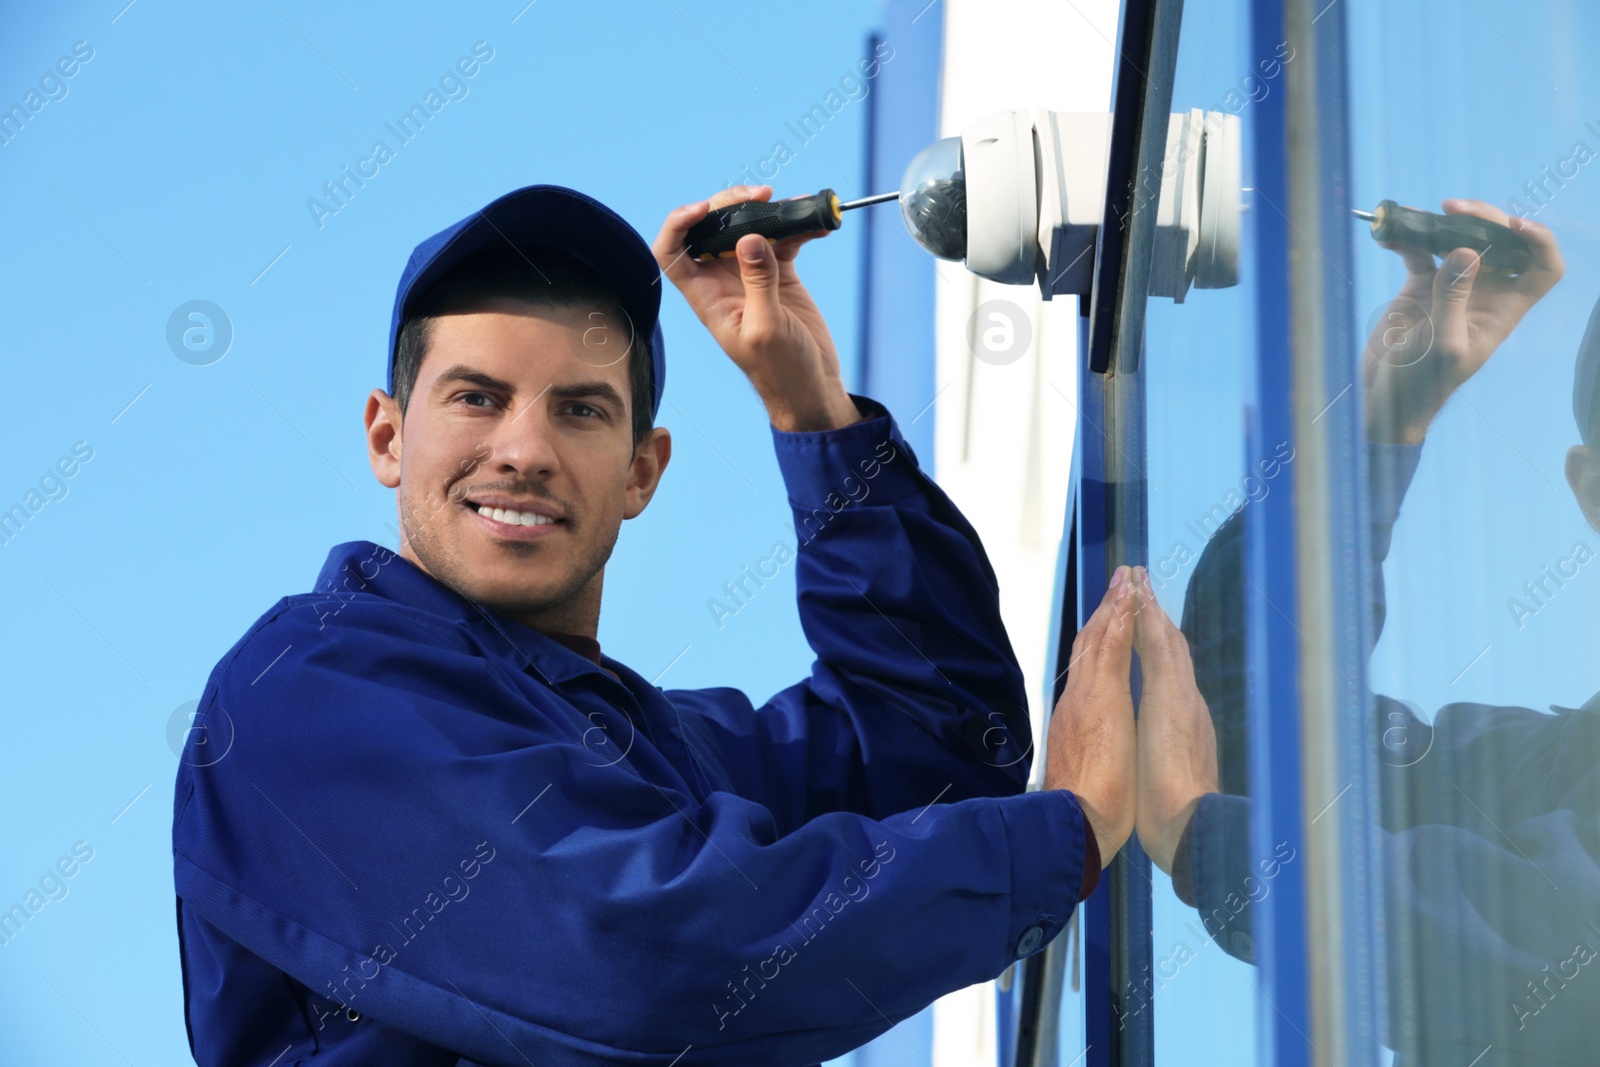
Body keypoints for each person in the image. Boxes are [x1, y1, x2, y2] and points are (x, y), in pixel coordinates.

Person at [169, 183, 1146, 1066]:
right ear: (387, 434)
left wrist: (812, 412)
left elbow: (932, 752)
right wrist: (1081, 824)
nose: (524, 449)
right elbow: (644, 958)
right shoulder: (304, 686)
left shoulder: (651, 755)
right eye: (477, 396)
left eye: (581, 410)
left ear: (642, 470)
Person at [1140, 200, 1600, 1063]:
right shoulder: (1555, 768)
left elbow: (1559, 947)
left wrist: (1210, 838)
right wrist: (1376, 433)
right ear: (1592, 489)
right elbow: (1242, 736)